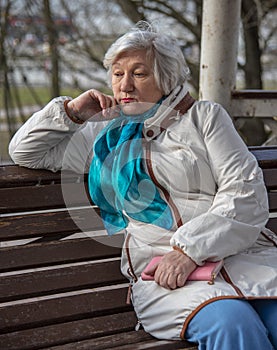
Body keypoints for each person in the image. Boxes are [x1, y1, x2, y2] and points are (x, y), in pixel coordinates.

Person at [9, 22, 277, 350]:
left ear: (165, 79)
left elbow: (245, 193)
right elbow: (25, 151)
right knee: (233, 325)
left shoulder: (205, 118)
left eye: (139, 74)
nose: (126, 86)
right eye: (118, 74)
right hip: (164, 275)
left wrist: (189, 251)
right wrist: (73, 112)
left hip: (242, 256)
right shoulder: (102, 135)